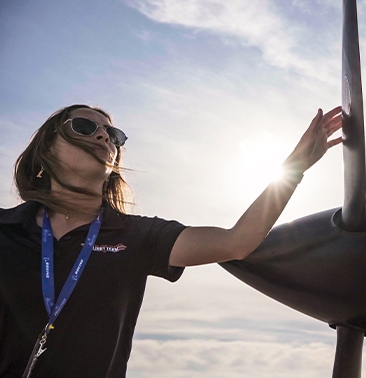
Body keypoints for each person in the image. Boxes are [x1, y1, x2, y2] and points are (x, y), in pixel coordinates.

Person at [0, 104, 343, 378]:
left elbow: (237, 242)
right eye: (86, 127)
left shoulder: (138, 236)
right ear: (47, 146)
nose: (105, 137)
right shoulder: (4, 227)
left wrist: (295, 166)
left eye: (114, 134)